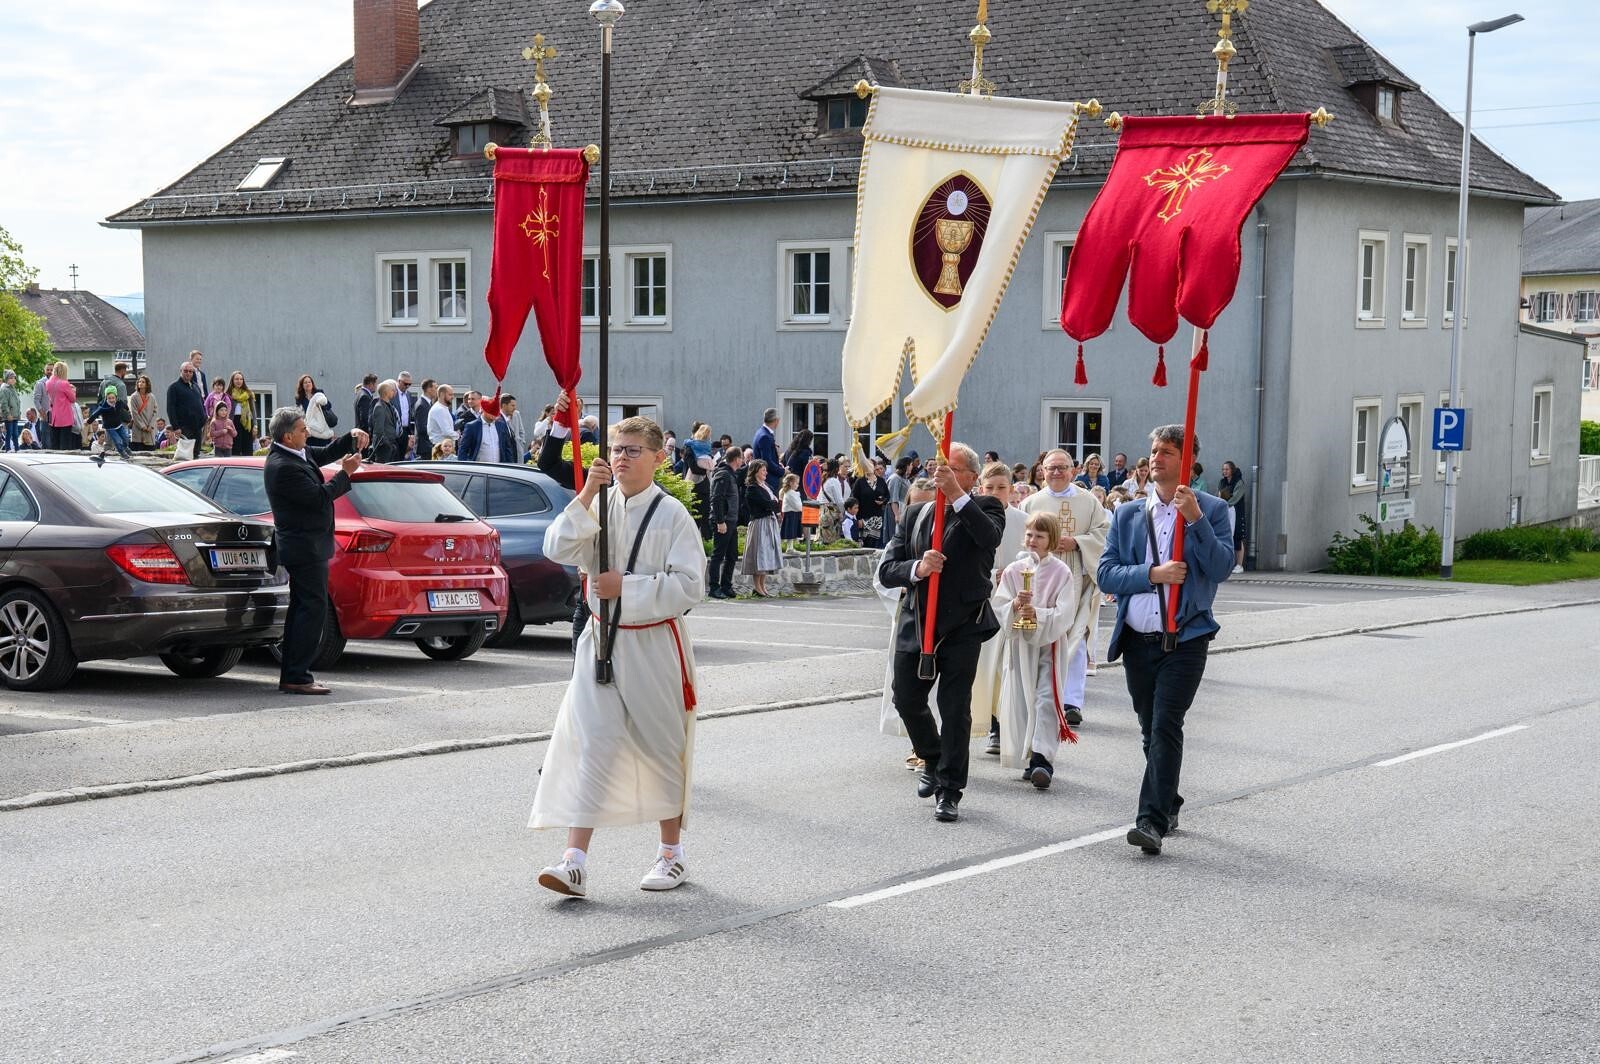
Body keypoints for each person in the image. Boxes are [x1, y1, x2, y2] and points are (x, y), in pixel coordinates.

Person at [531, 416, 707, 898]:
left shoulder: (673, 514)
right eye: (615, 449)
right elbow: (556, 547)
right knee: (593, 743)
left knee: (661, 745)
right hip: (601, 640)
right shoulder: (599, 504)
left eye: (633, 450)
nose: (621, 458)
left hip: (653, 643)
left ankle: (671, 854)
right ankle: (574, 862)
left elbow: (691, 586)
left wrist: (624, 587)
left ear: (658, 458)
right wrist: (588, 492)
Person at [1097, 424, 1234, 855]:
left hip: (1186, 638)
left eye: (1167, 452)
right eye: (1154, 450)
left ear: (1188, 461)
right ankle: (1167, 798)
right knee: (1148, 727)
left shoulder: (1212, 510)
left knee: (1165, 724)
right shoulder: (1127, 515)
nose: (1156, 458)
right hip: (1138, 640)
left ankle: (1151, 822)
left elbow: (1220, 567)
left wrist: (1195, 520)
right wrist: (1152, 574)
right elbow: (1106, 574)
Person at [878, 444, 1005, 823]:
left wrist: (956, 494)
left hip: (963, 623)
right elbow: (888, 569)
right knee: (906, 697)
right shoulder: (916, 513)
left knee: (954, 708)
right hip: (919, 620)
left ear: (972, 476)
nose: (941, 474)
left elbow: (989, 538)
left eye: (952, 469)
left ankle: (949, 789)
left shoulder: (986, 507)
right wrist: (918, 567)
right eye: (939, 468)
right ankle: (931, 757)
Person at [263, 408, 368, 695]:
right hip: (303, 547)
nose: (307, 432)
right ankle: (297, 676)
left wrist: (351, 437)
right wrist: (346, 473)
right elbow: (319, 497)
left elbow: (325, 453)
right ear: (287, 436)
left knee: (306, 609)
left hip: (311, 545)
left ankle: (295, 674)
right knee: (311, 609)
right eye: (302, 429)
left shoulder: (297, 453)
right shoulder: (282, 466)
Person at [990, 512, 1085, 789]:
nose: (1033, 540)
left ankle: (1043, 760)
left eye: (1040, 536)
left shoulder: (1061, 572)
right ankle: (1027, 754)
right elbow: (1000, 605)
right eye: (1030, 534)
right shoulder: (1014, 570)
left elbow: (1065, 612)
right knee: (1021, 699)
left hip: (1049, 645)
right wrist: (1015, 606)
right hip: (1020, 645)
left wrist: (1038, 615)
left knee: (1045, 699)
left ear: (1051, 539)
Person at [1023, 450, 1110, 729]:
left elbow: (1104, 533)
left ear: (1073, 470)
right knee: (1040, 634)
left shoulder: (1088, 501)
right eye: (1051, 468)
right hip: (1041, 578)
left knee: (1075, 636)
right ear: (1042, 470)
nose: (1056, 472)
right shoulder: (1031, 502)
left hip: (1076, 577)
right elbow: (1021, 541)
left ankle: (1072, 702)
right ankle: (1039, 695)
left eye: (1062, 467)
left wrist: (1077, 542)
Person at [874, 477, 940, 770]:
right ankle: (921, 745)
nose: (923, 510)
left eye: (930, 504)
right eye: (917, 505)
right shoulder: (898, 541)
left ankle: (935, 747)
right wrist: (902, 587)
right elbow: (882, 578)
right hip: (908, 622)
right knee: (908, 690)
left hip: (940, 627)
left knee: (937, 691)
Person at [971, 461, 1029, 756]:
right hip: (981, 601)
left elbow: (1033, 558)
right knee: (984, 669)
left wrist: (1014, 575)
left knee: (1008, 668)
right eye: (990, 487)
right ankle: (982, 723)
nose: (995, 493)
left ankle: (1001, 727)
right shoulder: (971, 517)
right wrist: (992, 574)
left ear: (1012, 489)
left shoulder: (1023, 520)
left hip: (1012, 603)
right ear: (980, 488)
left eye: (1001, 487)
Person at [706, 445, 743, 599]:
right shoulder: (723, 474)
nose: (742, 461)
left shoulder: (731, 474)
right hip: (723, 521)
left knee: (732, 555)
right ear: (737, 459)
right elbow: (717, 498)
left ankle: (726, 586)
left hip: (731, 521)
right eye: (741, 458)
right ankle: (714, 588)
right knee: (718, 555)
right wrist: (720, 521)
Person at [741, 461, 782, 596]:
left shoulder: (766, 486)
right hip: (760, 523)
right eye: (763, 470)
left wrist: (774, 504)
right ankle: (757, 587)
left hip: (769, 522)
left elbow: (775, 504)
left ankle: (763, 586)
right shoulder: (752, 488)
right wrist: (773, 504)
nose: (766, 472)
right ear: (755, 471)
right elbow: (767, 504)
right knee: (760, 554)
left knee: (767, 555)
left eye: (765, 470)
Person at [458, 392, 517, 463]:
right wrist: (467, 467)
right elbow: (463, 450)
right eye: (491, 412)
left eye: (496, 412)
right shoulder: (472, 426)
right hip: (479, 468)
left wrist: (509, 466)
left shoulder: (501, 425)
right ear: (484, 410)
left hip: (499, 467)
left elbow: (507, 449)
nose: (494, 415)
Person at [852, 458, 891, 548]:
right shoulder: (860, 482)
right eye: (865, 465)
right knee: (865, 545)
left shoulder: (881, 481)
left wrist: (883, 501)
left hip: (878, 519)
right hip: (864, 519)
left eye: (870, 465)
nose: (867, 467)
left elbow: (887, 496)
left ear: (874, 467)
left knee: (877, 546)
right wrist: (857, 518)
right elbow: (854, 499)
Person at [1219, 460, 1249, 574]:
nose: (1225, 471)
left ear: (1232, 470)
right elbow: (1219, 495)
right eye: (1223, 469)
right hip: (1225, 512)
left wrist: (1225, 504)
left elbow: (1236, 498)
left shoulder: (1239, 482)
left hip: (1236, 512)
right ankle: (1227, 563)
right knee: (1225, 536)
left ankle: (1239, 564)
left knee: (1237, 537)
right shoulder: (1222, 482)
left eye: (1227, 469)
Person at [296, 375, 339, 446]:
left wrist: (321, 403)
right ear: (302, 385)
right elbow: (300, 414)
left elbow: (329, 405)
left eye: (309, 382)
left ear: (312, 384)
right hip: (310, 431)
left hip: (322, 429)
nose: (308, 384)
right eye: (305, 383)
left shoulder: (319, 393)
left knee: (324, 449)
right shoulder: (300, 398)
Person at [45, 363, 79, 450]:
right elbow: (72, 399)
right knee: (65, 444)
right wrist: (73, 390)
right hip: (65, 417)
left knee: (55, 443)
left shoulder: (48, 383)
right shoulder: (64, 383)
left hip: (53, 417)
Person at [368, 379, 402, 463]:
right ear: (386, 392)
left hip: (391, 445)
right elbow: (379, 430)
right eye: (392, 390)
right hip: (384, 448)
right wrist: (388, 445)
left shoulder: (388, 405)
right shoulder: (379, 407)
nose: (395, 392)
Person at [819, 457, 848, 544]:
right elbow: (839, 501)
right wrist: (842, 512)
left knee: (823, 536)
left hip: (822, 509)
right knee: (831, 538)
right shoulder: (834, 481)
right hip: (831, 510)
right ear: (836, 469)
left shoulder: (824, 480)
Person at [227, 371, 256, 454]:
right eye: (236, 379)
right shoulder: (228, 394)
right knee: (235, 448)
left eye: (241, 379)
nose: (239, 381)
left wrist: (255, 425)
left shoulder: (248, 393)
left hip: (247, 422)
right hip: (233, 422)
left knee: (248, 448)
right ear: (232, 380)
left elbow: (253, 410)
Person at [129, 375, 159, 451]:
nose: (140, 383)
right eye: (139, 382)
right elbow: (134, 413)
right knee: (138, 452)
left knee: (150, 452)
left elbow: (155, 411)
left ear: (147, 384)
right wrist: (142, 426)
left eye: (143, 382)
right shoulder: (133, 397)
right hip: (138, 429)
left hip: (149, 429)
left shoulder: (152, 397)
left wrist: (151, 426)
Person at [394, 371, 418, 458]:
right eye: (405, 384)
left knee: (403, 456)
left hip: (405, 431)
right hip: (395, 431)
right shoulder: (393, 393)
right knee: (394, 456)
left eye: (409, 384)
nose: (407, 386)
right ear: (399, 381)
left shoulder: (408, 395)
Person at [427, 384, 458, 450]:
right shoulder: (439, 409)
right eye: (450, 395)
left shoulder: (443, 408)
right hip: (440, 447)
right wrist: (458, 435)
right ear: (442, 394)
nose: (452, 397)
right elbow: (446, 431)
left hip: (444, 446)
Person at [415, 379, 438, 461]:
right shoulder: (422, 405)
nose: (437, 390)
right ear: (429, 389)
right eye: (435, 388)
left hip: (428, 445)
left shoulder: (428, 403)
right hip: (425, 446)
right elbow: (422, 428)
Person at [779, 473, 803, 552]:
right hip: (790, 514)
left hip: (793, 513)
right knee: (790, 531)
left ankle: (790, 547)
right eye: (796, 483)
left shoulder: (792, 492)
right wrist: (802, 508)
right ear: (791, 483)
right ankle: (788, 548)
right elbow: (796, 505)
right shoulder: (790, 493)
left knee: (792, 530)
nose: (798, 485)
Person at [502, 394, 528, 460]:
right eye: (512, 405)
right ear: (504, 405)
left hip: (518, 451)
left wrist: (521, 443)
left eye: (515, 405)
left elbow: (521, 431)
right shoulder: (498, 418)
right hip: (507, 454)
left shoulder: (516, 414)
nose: (514, 408)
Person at [0, 370, 20, 451]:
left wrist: (18, 413)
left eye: (14, 378)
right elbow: (4, 403)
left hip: (15, 415)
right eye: (11, 378)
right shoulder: (4, 389)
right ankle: (7, 449)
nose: (13, 379)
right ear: (7, 379)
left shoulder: (13, 388)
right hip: (9, 416)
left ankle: (17, 448)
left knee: (15, 433)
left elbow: (17, 402)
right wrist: (8, 414)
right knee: (9, 432)